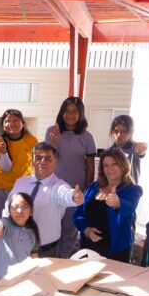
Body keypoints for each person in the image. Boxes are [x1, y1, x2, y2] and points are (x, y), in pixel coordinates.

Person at [11, 143, 85, 256]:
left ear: (56, 163)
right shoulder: (20, 182)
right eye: (39, 158)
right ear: (32, 161)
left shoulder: (59, 185)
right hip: (16, 248)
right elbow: (8, 208)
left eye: (48, 158)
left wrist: (74, 197)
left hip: (45, 252)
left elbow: (65, 194)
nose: (42, 161)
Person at [44, 96, 97, 258]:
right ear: (62, 113)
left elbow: (90, 165)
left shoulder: (87, 137)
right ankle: (49, 262)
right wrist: (53, 142)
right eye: (67, 111)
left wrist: (87, 189)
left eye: (75, 112)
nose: (71, 115)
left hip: (75, 191)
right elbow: (46, 159)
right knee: (51, 228)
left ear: (81, 114)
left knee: (70, 229)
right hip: (53, 190)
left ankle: (63, 261)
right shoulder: (51, 132)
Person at [73, 148, 142, 262]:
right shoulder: (93, 187)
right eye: (106, 165)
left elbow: (129, 208)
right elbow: (78, 214)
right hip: (89, 247)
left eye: (114, 164)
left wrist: (117, 203)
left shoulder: (133, 190)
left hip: (116, 250)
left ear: (123, 165)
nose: (109, 169)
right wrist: (85, 229)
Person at [0, 109, 38, 224]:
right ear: (3, 125)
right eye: (7, 121)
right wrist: (3, 152)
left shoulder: (32, 140)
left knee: (20, 220)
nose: (11, 124)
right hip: (1, 186)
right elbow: (6, 167)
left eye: (16, 120)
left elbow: (36, 164)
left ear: (23, 123)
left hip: (22, 187)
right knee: (0, 221)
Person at [109, 114, 147, 183]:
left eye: (123, 131)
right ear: (112, 132)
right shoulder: (108, 152)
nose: (119, 135)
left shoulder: (135, 148)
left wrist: (142, 149)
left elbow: (142, 150)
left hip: (131, 190)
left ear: (131, 132)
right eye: (116, 131)